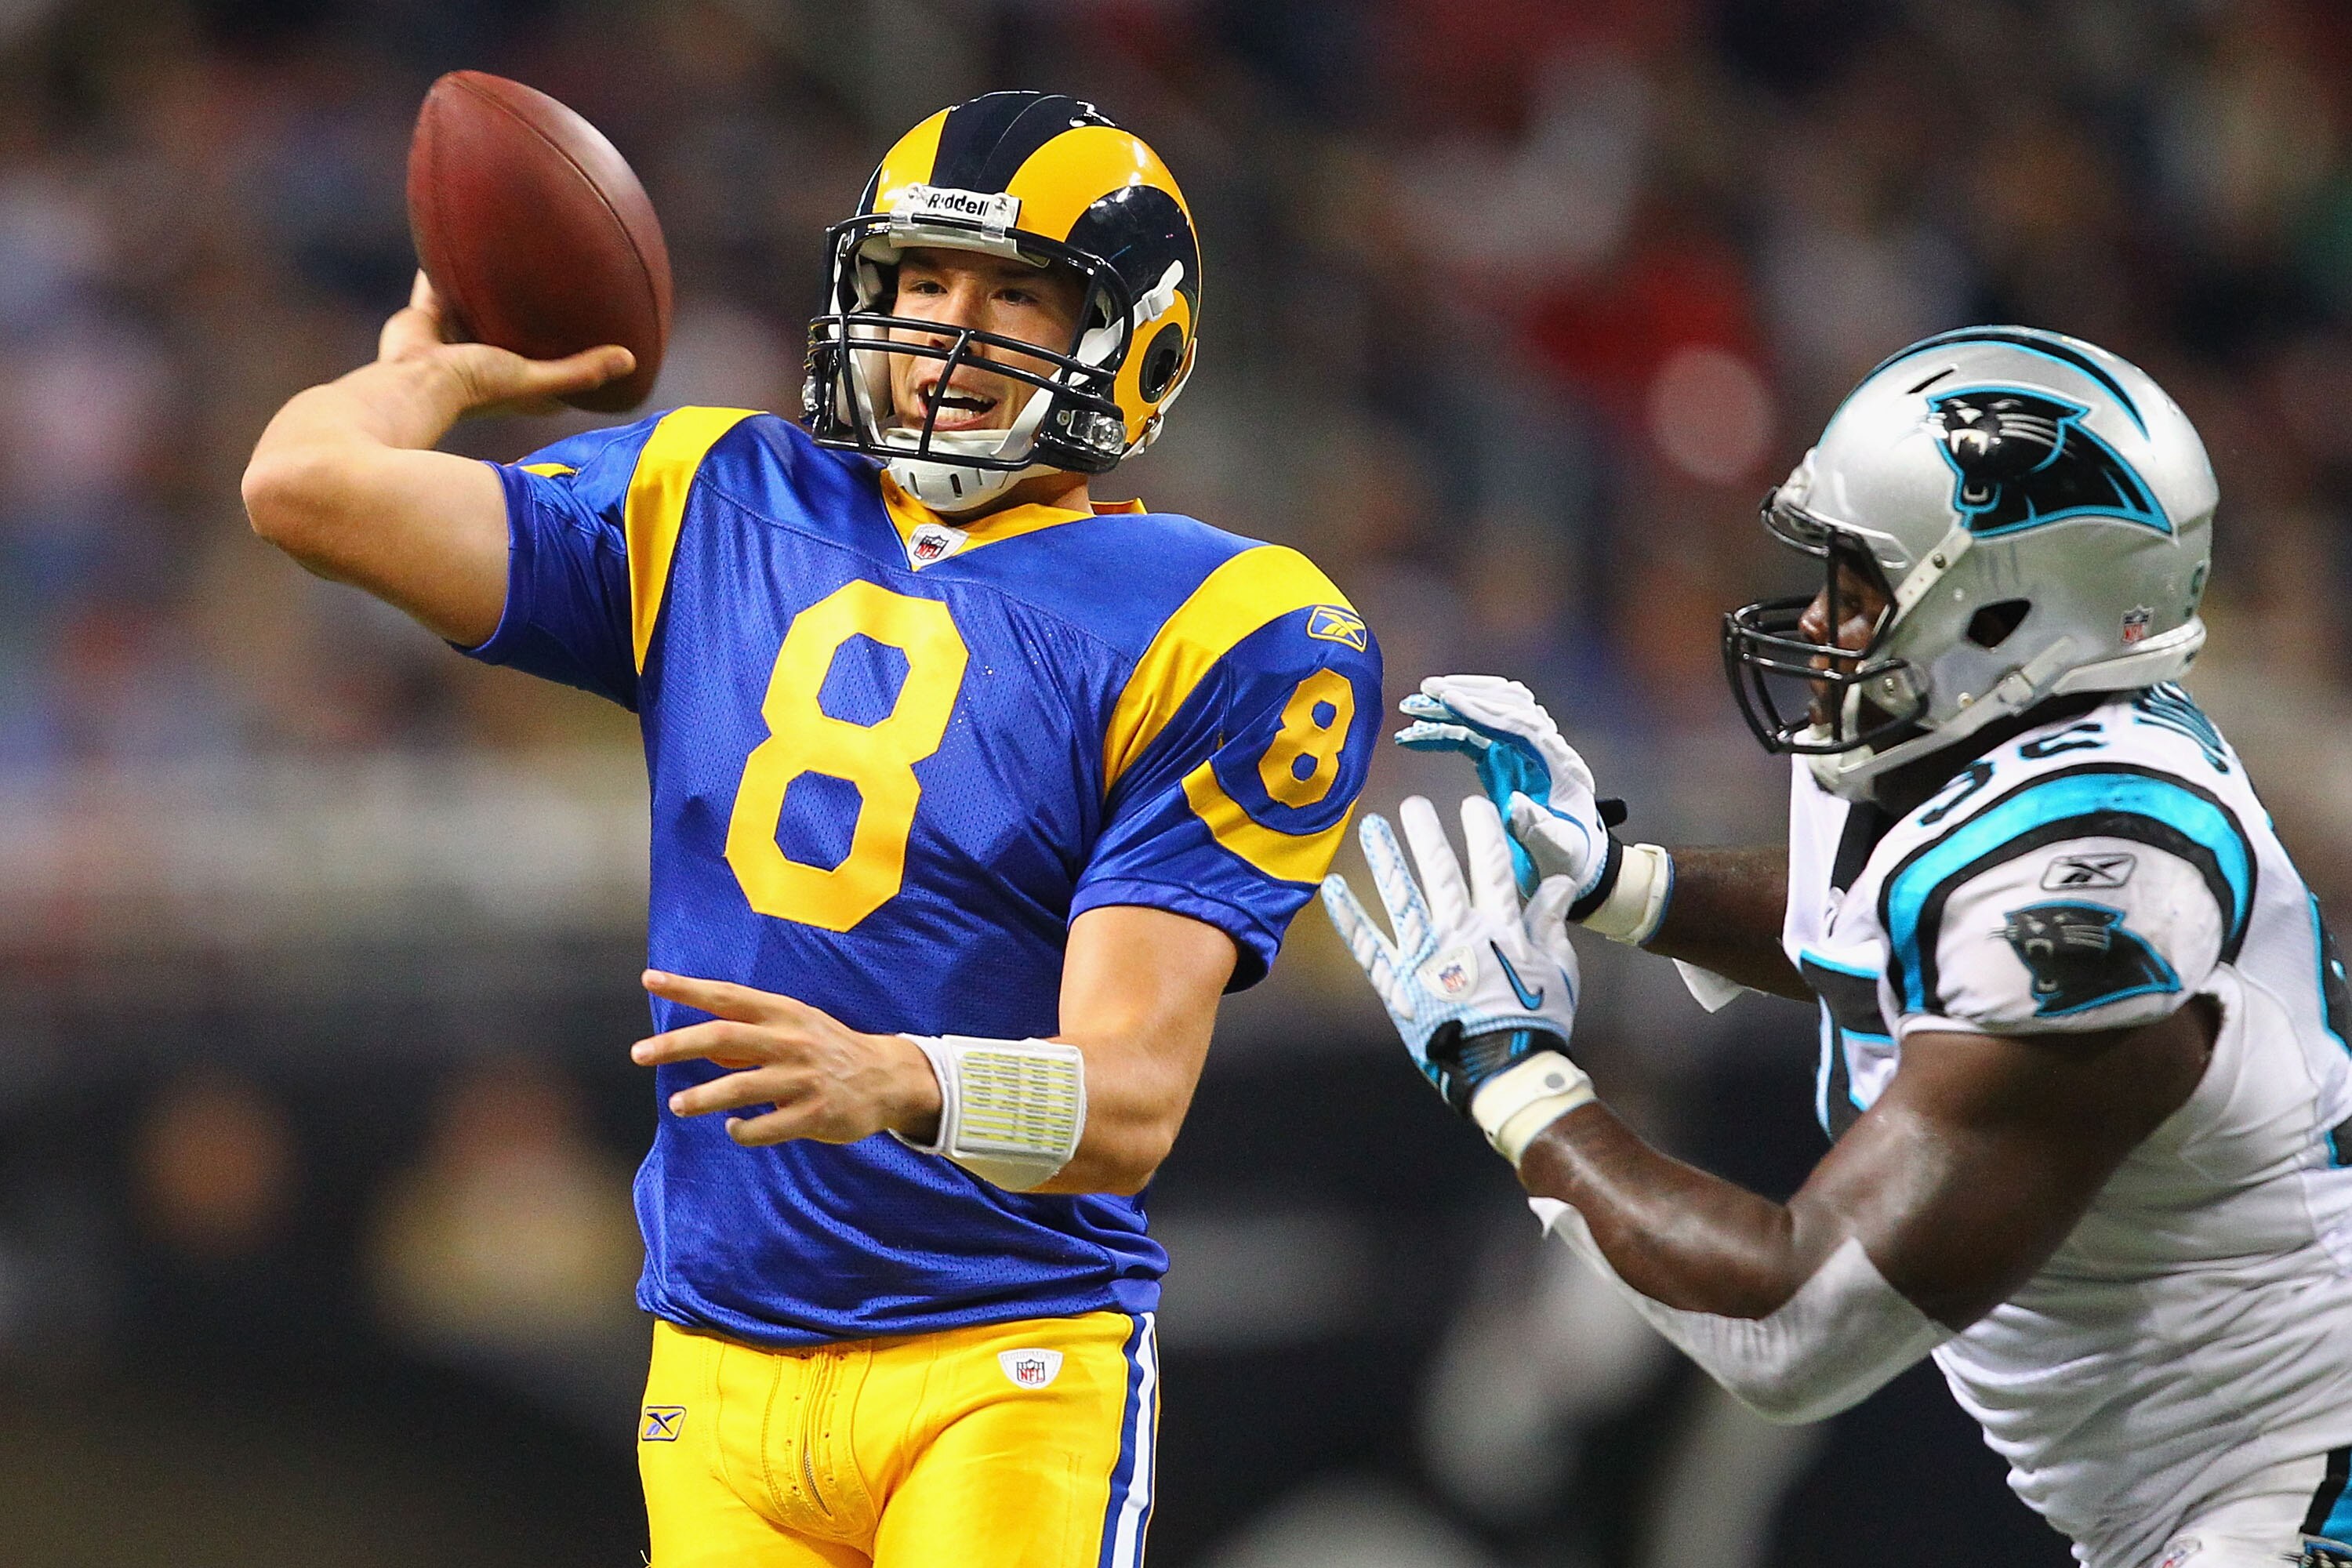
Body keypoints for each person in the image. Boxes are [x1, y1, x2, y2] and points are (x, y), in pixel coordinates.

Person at [241, 90, 1381, 1568]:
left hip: (1000, 1360)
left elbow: (1129, 1109)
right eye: (919, 282)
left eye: (1015, 294)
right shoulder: (713, 494)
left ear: (1134, 341)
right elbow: (303, 487)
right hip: (715, 1366)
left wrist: (894, 1077)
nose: (947, 333)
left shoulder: (1226, 625)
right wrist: (435, 369)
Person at [1321, 327, 2352, 1568]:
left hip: (2293, 1489)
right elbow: (1885, 932)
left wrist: (1514, 1079)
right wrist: (1619, 881)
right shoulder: (1989, 743)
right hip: (2205, 1488)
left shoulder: (2104, 879)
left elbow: (1795, 1323)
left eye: (1861, 585)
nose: (1818, 617)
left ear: (2005, 609)